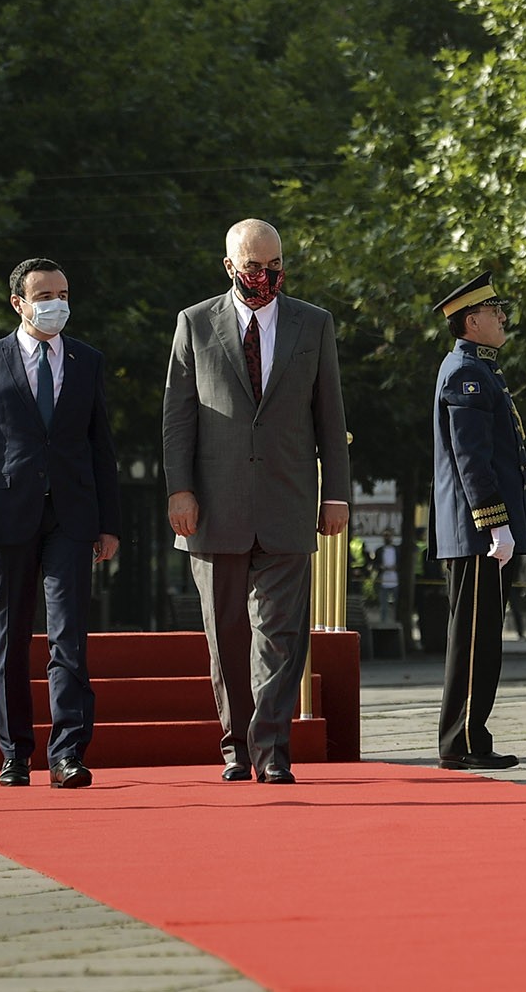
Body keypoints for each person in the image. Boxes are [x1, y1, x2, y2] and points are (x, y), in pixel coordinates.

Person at [165, 219, 349, 784]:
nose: (265, 276)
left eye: (274, 266)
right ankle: (236, 748)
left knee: (280, 636)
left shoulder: (313, 324)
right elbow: (178, 416)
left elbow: (330, 416)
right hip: (212, 508)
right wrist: (179, 490)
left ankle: (272, 752)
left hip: (288, 504)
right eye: (253, 267)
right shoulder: (194, 323)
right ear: (229, 266)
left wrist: (336, 494)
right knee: (226, 636)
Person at [0, 257, 123, 789]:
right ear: (19, 303)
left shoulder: (87, 360)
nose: (57, 304)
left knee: (69, 635)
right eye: (45, 294)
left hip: (72, 517)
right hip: (7, 518)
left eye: (64, 293)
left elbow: (102, 449)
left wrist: (109, 523)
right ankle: (15, 752)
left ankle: (67, 752)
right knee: (10, 637)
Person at [431, 271, 526, 769]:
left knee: (483, 640)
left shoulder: (480, 370)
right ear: (472, 321)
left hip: (482, 531)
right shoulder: (465, 372)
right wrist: (496, 524)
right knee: (474, 641)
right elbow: (471, 459)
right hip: (478, 533)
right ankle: (461, 742)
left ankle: (470, 736)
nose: (503, 318)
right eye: (495, 311)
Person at [378, 535, 400, 621]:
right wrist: (381, 567)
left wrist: (396, 567)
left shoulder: (397, 550)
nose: (387, 538)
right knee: (383, 605)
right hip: (383, 580)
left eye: (389, 536)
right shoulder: (380, 550)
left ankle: (397, 621)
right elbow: (376, 563)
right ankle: (383, 622)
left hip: (395, 580)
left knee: (396, 604)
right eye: (385, 536)